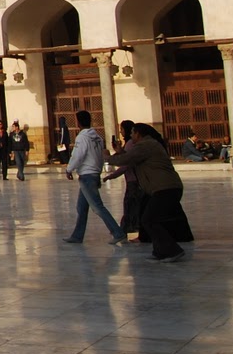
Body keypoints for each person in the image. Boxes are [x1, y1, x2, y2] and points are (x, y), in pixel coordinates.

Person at [107, 123, 187, 262]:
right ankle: (160, 251)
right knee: (151, 219)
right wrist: (120, 152)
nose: (130, 136)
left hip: (165, 188)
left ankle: (172, 250)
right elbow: (131, 158)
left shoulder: (145, 145)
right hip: (163, 188)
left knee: (149, 219)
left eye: (132, 133)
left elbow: (125, 160)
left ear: (138, 134)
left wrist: (108, 157)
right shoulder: (147, 145)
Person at [64, 110, 127, 246]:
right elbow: (100, 156)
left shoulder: (82, 137)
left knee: (97, 207)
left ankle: (118, 232)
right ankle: (77, 235)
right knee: (81, 207)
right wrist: (98, 171)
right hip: (93, 174)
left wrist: (69, 169)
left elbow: (78, 155)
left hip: (87, 175)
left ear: (78, 122)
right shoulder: (97, 137)